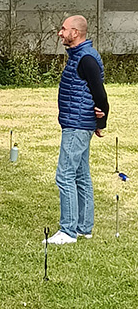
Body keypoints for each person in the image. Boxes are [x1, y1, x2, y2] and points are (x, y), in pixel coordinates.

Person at [48, 14, 109, 245]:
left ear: (76, 32)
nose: (60, 33)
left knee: (64, 176)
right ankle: (84, 228)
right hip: (78, 123)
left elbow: (100, 93)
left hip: (77, 125)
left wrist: (101, 120)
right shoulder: (79, 56)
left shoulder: (86, 59)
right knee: (81, 176)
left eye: (64, 29)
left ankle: (68, 231)